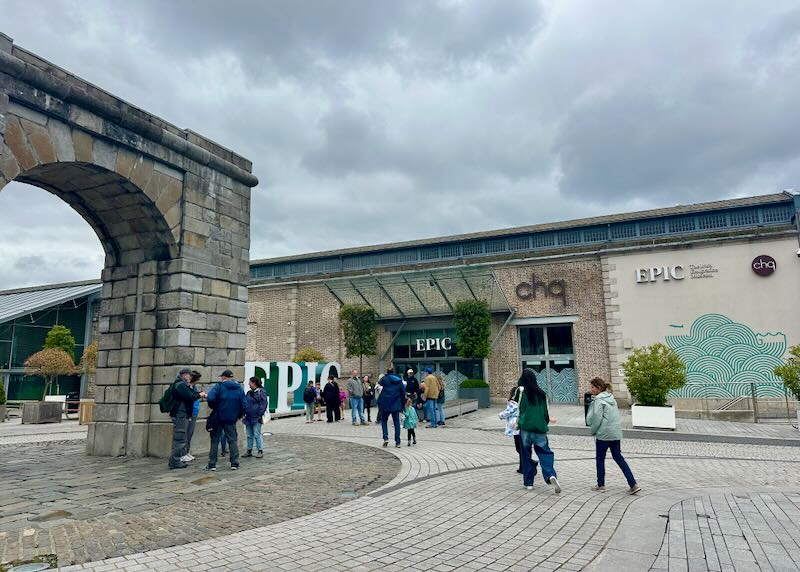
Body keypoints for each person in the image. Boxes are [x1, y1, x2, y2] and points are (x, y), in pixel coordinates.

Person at [586, 378, 641, 494]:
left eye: (592, 387)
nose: (591, 390)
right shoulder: (612, 398)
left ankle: (601, 485)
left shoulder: (598, 401)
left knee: (600, 459)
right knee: (619, 458)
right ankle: (633, 484)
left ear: (598, 388)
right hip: (615, 433)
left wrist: (593, 431)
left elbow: (596, 419)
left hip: (603, 434)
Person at [517, 368, 560, 493]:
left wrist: (518, 423)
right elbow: (546, 412)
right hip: (540, 428)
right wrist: (545, 421)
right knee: (544, 452)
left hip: (526, 428)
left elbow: (521, 410)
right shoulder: (542, 393)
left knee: (525, 455)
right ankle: (550, 475)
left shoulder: (524, 393)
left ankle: (528, 482)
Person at [206, 370, 247, 471]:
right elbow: (244, 404)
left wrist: (214, 407)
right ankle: (234, 463)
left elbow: (210, 398)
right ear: (232, 377)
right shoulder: (239, 388)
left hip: (218, 417)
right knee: (232, 440)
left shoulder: (218, 387)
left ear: (224, 377)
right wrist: (239, 415)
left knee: (215, 440)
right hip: (231, 418)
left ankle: (212, 464)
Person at [169, 368, 205, 469]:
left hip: (182, 414)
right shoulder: (181, 384)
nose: (190, 377)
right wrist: (199, 395)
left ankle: (174, 460)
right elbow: (190, 397)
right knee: (180, 439)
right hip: (180, 414)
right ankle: (175, 461)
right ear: (184, 375)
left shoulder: (181, 384)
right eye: (189, 375)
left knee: (180, 438)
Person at [378, 367, 406, 448]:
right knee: (396, 422)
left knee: (384, 420)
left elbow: (380, 382)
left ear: (387, 372)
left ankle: (385, 438)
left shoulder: (385, 379)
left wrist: (386, 375)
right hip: (396, 404)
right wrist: (403, 405)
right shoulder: (399, 380)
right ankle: (398, 442)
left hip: (386, 403)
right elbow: (403, 393)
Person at [180, 370, 203, 463]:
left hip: (195, 411)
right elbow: (190, 398)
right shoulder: (188, 387)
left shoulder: (193, 387)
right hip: (190, 411)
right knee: (186, 433)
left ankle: (187, 451)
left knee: (190, 433)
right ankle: (183, 453)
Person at [243, 376, 268, 459]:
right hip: (248, 417)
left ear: (254, 383)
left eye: (250, 382)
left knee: (257, 434)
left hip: (256, 417)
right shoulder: (249, 392)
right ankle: (249, 450)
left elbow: (263, 404)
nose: (248, 384)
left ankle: (260, 450)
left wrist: (259, 414)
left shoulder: (261, 392)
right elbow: (245, 402)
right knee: (249, 434)